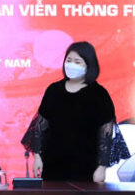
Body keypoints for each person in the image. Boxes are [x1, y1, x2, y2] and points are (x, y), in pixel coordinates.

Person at [24, 41, 116, 183]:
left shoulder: (99, 94)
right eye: (69, 60)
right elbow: (40, 128)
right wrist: (37, 157)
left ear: (89, 65)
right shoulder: (54, 90)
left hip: (87, 166)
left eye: (77, 62)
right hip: (52, 165)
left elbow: (106, 135)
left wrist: (101, 168)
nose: (71, 65)